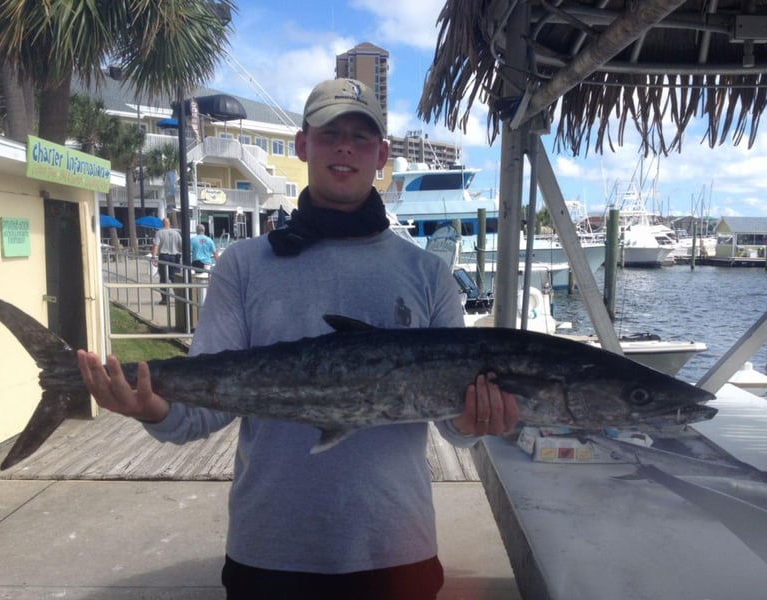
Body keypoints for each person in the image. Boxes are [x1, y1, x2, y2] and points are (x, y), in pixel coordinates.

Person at [77, 78, 519, 599]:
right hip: (269, 551)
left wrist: (475, 421)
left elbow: (455, 429)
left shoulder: (427, 274)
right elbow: (202, 412)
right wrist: (152, 408)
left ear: (381, 155)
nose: (345, 147)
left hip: (396, 551)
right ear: (303, 144)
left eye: (360, 136)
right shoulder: (243, 266)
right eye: (331, 133)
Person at [151, 218, 182, 305]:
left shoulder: (159, 232)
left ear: (162, 224)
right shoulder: (176, 233)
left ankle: (165, 299)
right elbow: (181, 245)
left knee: (164, 278)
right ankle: (179, 297)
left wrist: (154, 256)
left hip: (164, 256)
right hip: (175, 256)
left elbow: (156, 245)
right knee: (174, 277)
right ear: (170, 223)